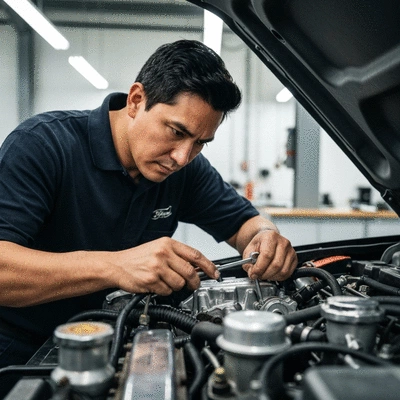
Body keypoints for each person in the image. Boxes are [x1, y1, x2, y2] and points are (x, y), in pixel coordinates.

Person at [0, 40, 297, 370]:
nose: (183, 157)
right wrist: (115, 266)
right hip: (22, 351)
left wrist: (267, 237)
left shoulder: (185, 171)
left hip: (118, 342)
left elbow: (247, 225)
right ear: (136, 100)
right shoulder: (43, 145)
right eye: (175, 131)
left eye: (200, 142)